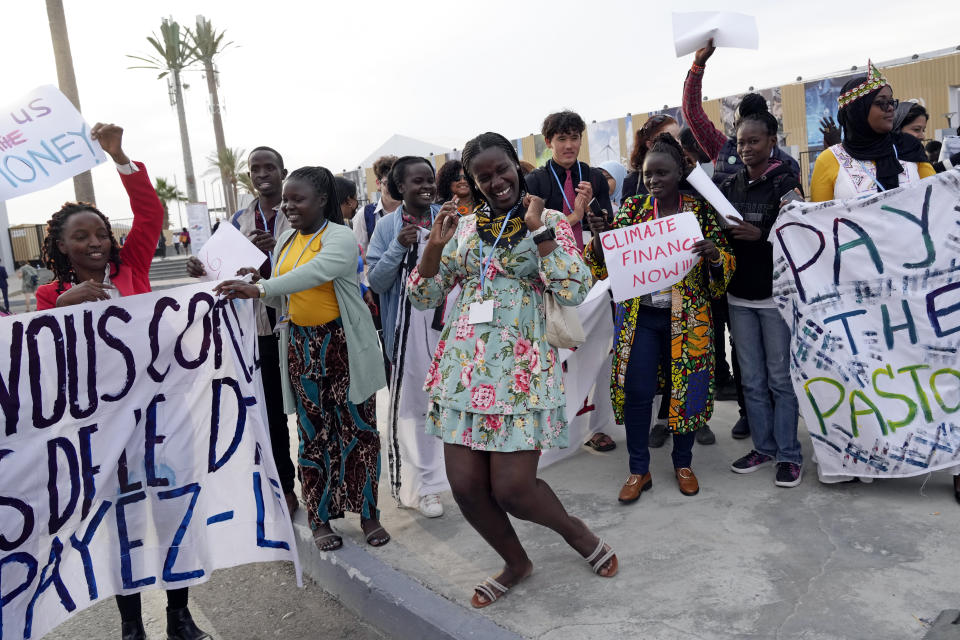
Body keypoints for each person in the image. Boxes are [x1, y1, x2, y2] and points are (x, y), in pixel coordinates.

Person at [408, 132, 617, 607]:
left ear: (517, 166)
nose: (496, 181)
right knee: (465, 488)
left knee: (514, 489)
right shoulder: (462, 228)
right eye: (484, 177)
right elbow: (424, 295)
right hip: (464, 371)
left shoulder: (551, 220)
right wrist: (433, 250)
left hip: (520, 372)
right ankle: (516, 562)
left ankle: (575, 532)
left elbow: (574, 287)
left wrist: (539, 230)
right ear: (473, 183)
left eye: (502, 169)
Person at [34, 123, 208, 640]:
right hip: (102, 426)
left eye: (100, 234)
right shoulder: (47, 299)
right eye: (80, 237)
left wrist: (120, 157)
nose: (94, 243)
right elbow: (29, 353)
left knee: (173, 512)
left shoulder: (132, 267)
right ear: (61, 247)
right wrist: (59, 313)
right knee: (122, 526)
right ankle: (132, 625)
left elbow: (150, 214)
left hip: (162, 416)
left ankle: (180, 617)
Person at [214, 166, 390, 551]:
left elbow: (316, 273)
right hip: (301, 347)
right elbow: (282, 297)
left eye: (297, 199)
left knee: (359, 431)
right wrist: (257, 279)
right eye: (286, 200)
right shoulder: (285, 242)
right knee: (313, 435)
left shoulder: (340, 237)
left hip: (344, 346)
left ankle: (369, 514)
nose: (287, 206)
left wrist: (260, 287)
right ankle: (320, 517)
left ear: (322, 200)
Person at [584, 133, 734, 505]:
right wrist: (601, 237)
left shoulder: (697, 213)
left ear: (679, 173)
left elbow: (726, 265)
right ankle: (639, 468)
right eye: (648, 175)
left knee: (686, 391)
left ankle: (683, 463)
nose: (653, 181)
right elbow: (605, 264)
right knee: (637, 391)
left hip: (689, 320)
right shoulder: (633, 210)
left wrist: (714, 255)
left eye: (661, 174)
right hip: (641, 319)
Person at [186, 145, 298, 518]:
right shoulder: (238, 220)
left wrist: (271, 260)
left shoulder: (298, 211)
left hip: (299, 324)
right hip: (260, 329)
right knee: (273, 415)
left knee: (311, 411)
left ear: (283, 171)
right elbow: (221, 270)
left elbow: (309, 268)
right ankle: (285, 485)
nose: (263, 174)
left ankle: (320, 490)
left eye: (270, 167)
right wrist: (198, 268)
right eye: (256, 169)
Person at [719, 111, 805, 487]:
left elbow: (801, 229)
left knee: (780, 380)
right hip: (739, 296)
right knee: (751, 380)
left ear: (772, 141)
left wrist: (764, 233)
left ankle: (789, 454)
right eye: (740, 142)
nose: (746, 148)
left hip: (776, 298)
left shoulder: (786, 183)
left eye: (754, 141)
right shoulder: (730, 185)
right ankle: (764, 447)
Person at [366, 156, 451, 518]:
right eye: (416, 181)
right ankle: (423, 486)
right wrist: (399, 247)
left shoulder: (447, 219)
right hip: (404, 332)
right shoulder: (387, 226)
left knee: (450, 402)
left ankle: (454, 481)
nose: (426, 187)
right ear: (399, 188)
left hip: (446, 324)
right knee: (414, 410)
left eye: (429, 180)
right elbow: (376, 281)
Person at [682, 40, 801, 186]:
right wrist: (698, 65)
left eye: (754, 140)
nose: (745, 149)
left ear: (770, 138)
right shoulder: (724, 148)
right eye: (739, 129)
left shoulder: (788, 165)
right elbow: (692, 113)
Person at [810, 62, 933, 202]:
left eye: (891, 101)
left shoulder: (908, 146)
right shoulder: (829, 160)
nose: (891, 108)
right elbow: (818, 218)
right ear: (857, 111)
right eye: (882, 102)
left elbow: (938, 197)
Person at [524, 110, 613, 252]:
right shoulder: (534, 182)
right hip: (552, 262)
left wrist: (592, 209)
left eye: (574, 138)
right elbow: (531, 234)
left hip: (592, 259)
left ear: (581, 140)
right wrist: (575, 217)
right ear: (548, 142)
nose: (569, 145)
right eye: (562, 139)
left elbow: (609, 230)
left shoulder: (595, 177)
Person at [621, 114, 680, 199]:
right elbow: (626, 211)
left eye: (678, 137)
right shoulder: (633, 181)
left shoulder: (689, 174)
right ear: (649, 144)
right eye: (669, 138)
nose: (678, 143)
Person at [356, 155, 400, 258]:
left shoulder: (412, 210)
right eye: (388, 183)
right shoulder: (364, 214)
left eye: (397, 183)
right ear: (378, 184)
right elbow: (358, 253)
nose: (393, 188)